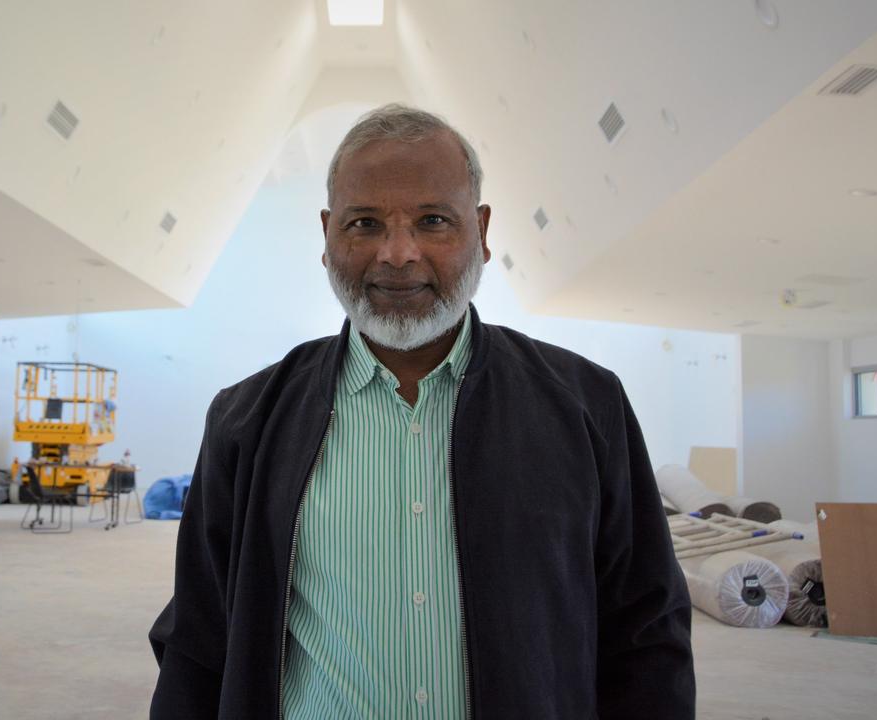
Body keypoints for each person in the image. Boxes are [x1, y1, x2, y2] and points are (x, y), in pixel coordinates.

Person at [149, 104, 695, 719]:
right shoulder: (245, 422)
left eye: (433, 220)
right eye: (365, 223)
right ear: (327, 237)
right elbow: (198, 642)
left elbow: (647, 633)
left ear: (482, 232)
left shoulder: (587, 406)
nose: (397, 253)